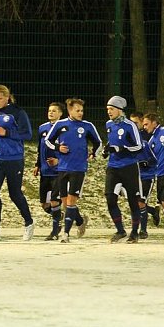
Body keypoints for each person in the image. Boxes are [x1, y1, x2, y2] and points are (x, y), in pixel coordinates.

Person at [44, 98, 103, 243]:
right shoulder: (61, 124)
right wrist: (58, 148)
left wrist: (93, 154)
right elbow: (48, 141)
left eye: (82, 110)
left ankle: (65, 233)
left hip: (78, 168)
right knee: (65, 202)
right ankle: (81, 221)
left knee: (71, 201)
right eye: (77, 110)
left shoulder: (87, 126)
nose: (81, 113)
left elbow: (98, 142)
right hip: (63, 168)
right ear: (70, 111)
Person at [0, 85, 35, 241]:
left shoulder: (18, 113)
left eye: (0, 99)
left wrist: (7, 133)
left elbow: (28, 134)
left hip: (14, 159)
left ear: (7, 98)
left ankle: (29, 222)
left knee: (15, 194)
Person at [102, 96, 145, 243]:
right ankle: (120, 230)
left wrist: (122, 148)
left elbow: (139, 146)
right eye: (108, 109)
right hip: (113, 167)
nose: (109, 112)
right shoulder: (109, 124)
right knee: (110, 198)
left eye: (111, 109)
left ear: (120, 110)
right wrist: (107, 149)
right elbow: (112, 142)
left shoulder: (130, 125)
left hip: (129, 167)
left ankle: (134, 232)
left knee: (133, 200)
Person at [34, 102, 64, 240]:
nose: (51, 113)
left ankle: (54, 232)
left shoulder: (64, 129)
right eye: (49, 110)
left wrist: (60, 160)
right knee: (44, 204)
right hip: (45, 171)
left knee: (54, 201)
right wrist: (37, 164)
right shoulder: (42, 128)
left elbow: (67, 148)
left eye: (54, 111)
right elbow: (40, 148)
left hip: (58, 171)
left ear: (60, 114)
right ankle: (74, 217)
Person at [130, 111, 161, 238]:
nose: (133, 125)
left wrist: (146, 163)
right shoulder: (130, 136)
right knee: (134, 201)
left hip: (147, 174)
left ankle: (143, 230)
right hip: (132, 174)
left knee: (141, 201)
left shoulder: (147, 136)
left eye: (135, 122)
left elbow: (154, 155)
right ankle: (153, 211)